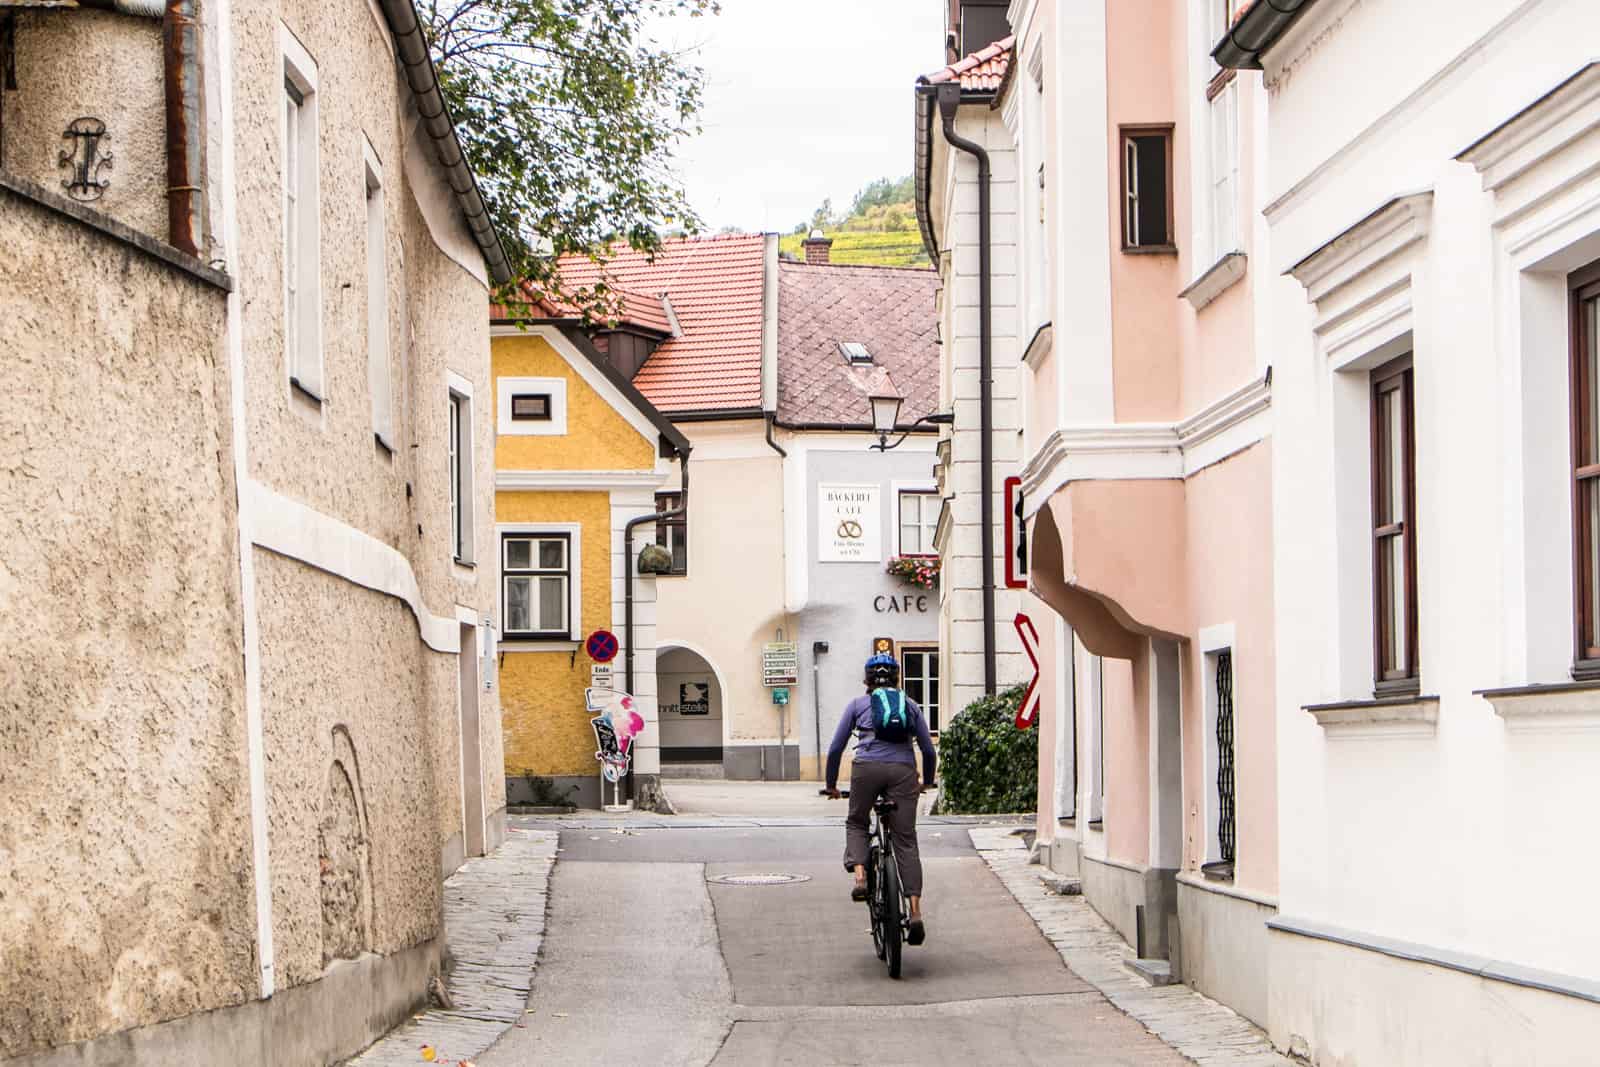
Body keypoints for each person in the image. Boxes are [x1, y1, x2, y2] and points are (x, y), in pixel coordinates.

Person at [823, 652, 937, 946]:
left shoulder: (858, 705)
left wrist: (831, 785)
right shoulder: (909, 705)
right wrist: (926, 780)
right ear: (897, 679)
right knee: (906, 841)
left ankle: (860, 878)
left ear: (867, 680)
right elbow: (928, 749)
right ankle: (914, 912)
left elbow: (836, 748)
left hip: (866, 769)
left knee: (857, 822)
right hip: (903, 772)